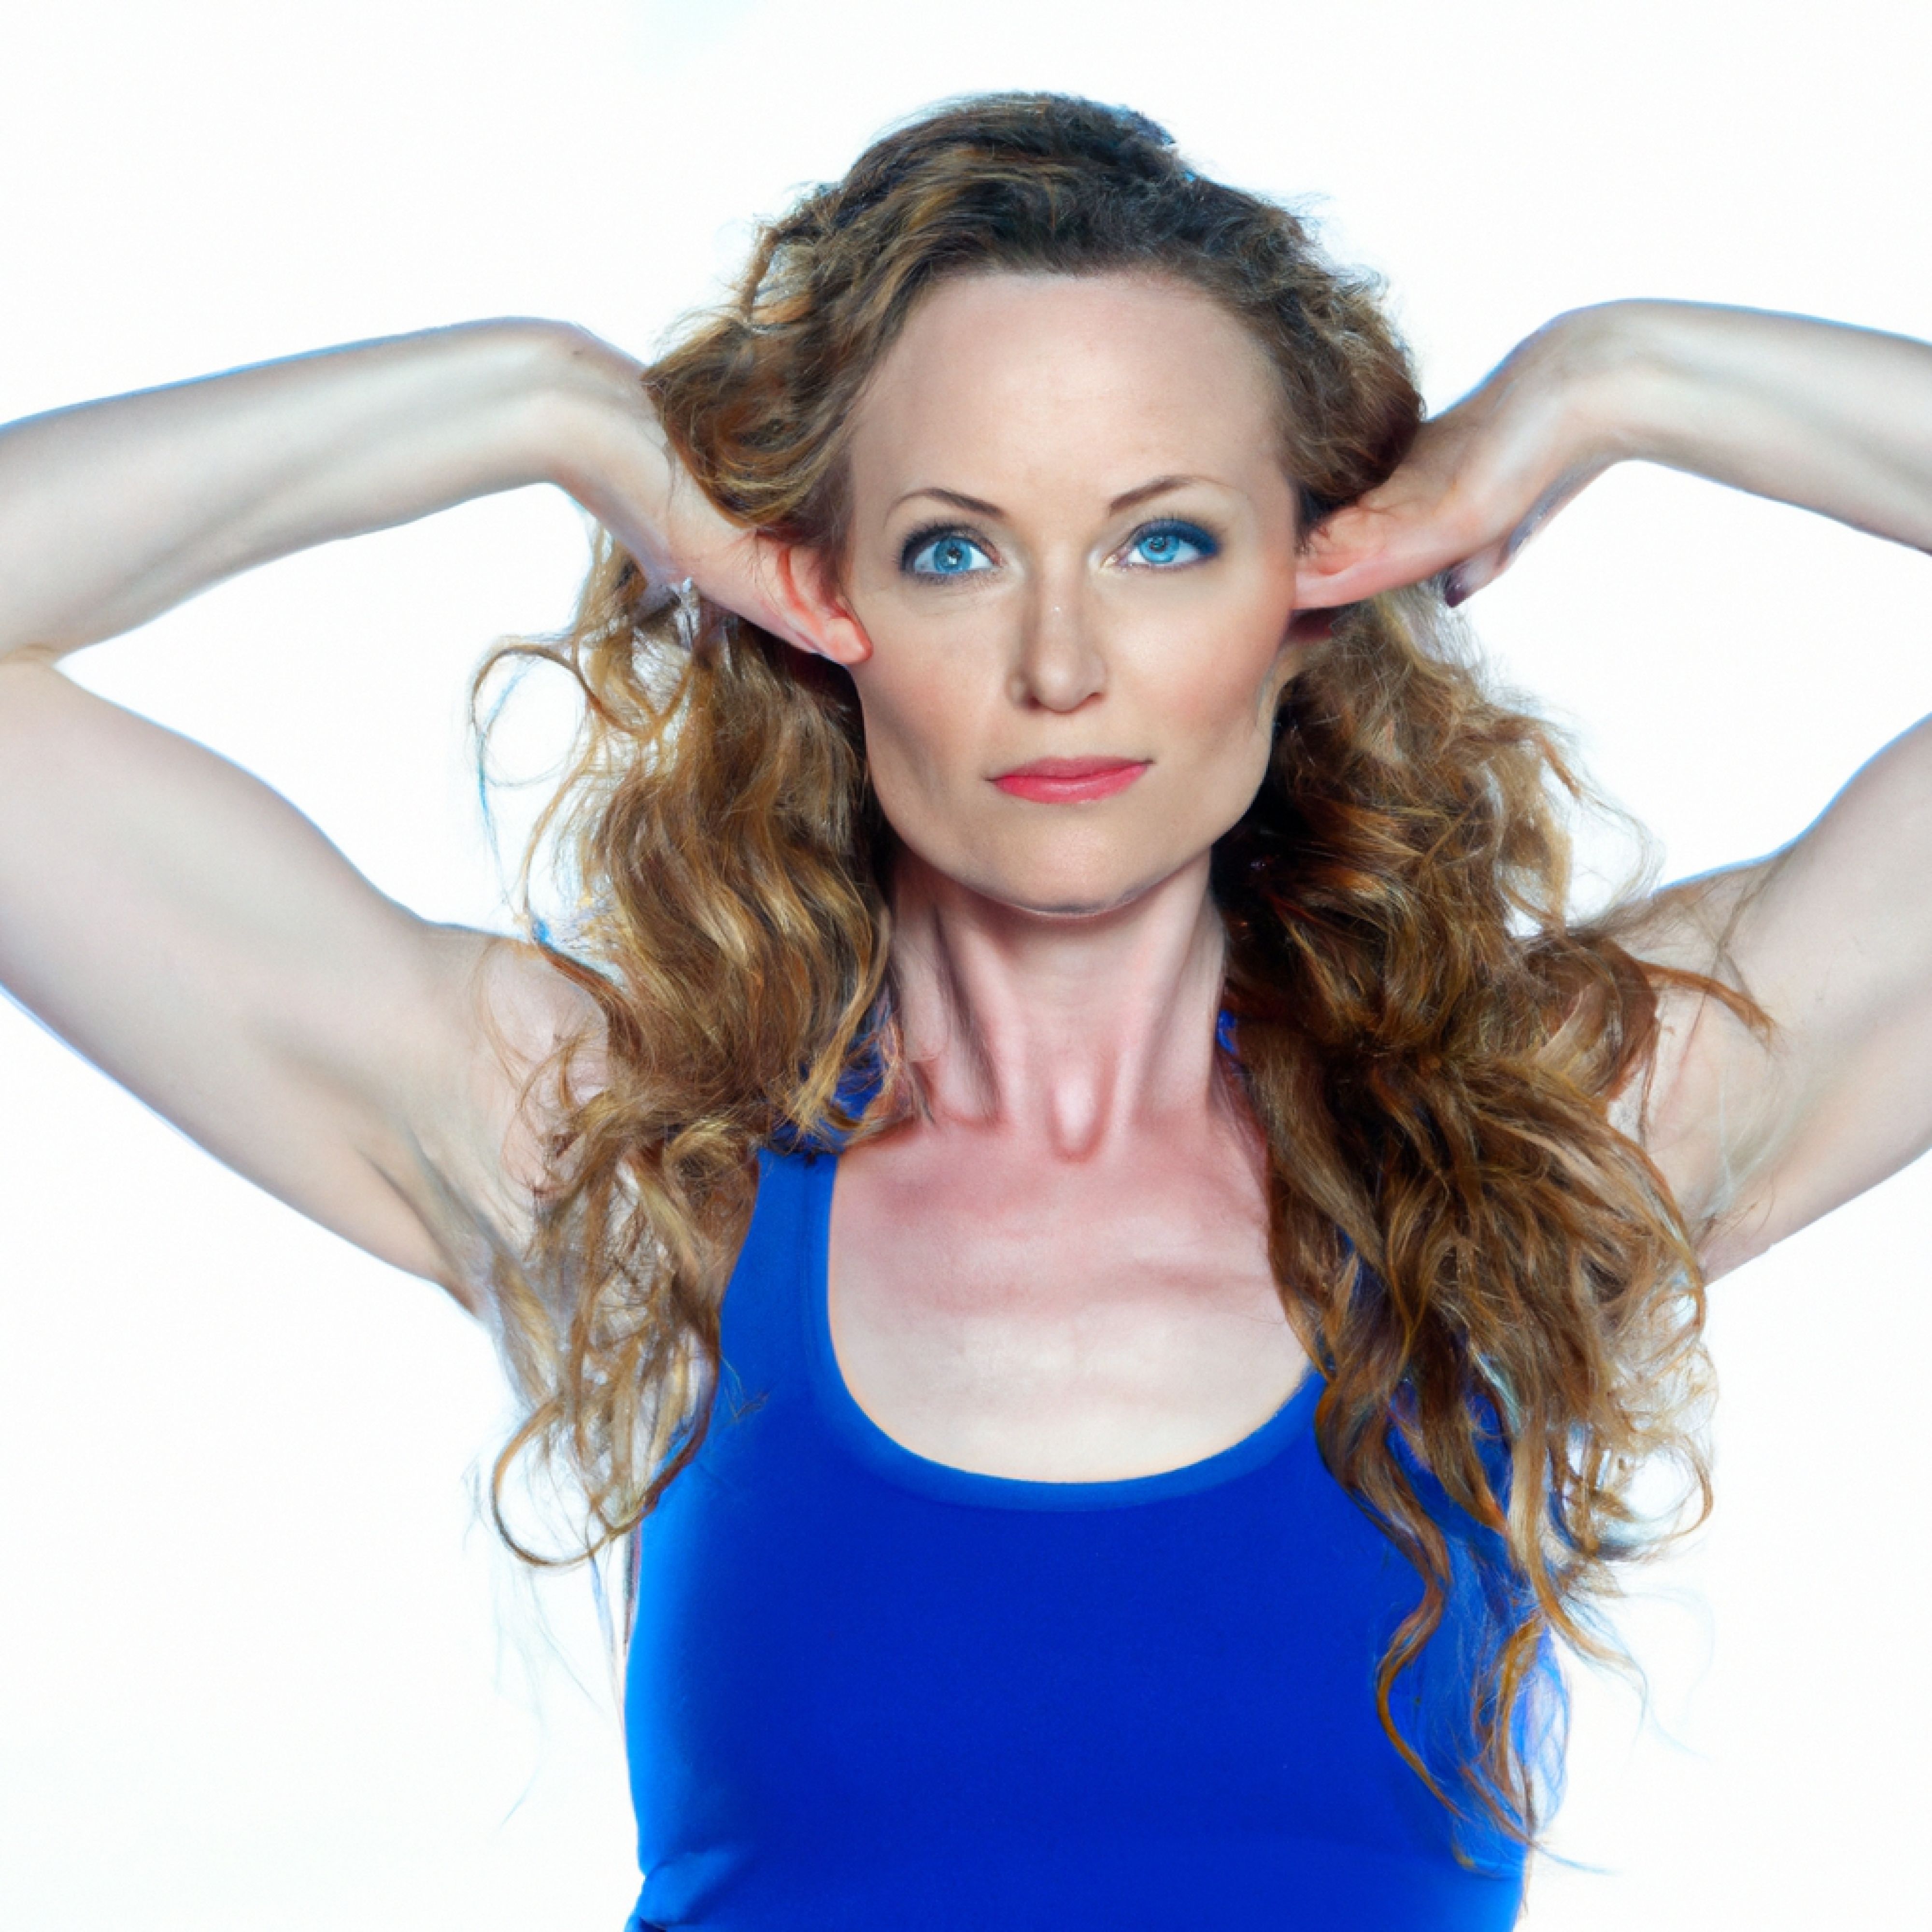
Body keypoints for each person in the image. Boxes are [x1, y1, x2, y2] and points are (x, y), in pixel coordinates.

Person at [2, 91, 1929, 1930]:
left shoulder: (1541, 1143)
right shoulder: (625, 1157)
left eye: (1164, 541)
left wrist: (1621, 379)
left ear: (1319, 584)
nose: (1060, 661)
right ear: (810, 591)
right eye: (952, 549)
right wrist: (541, 400)